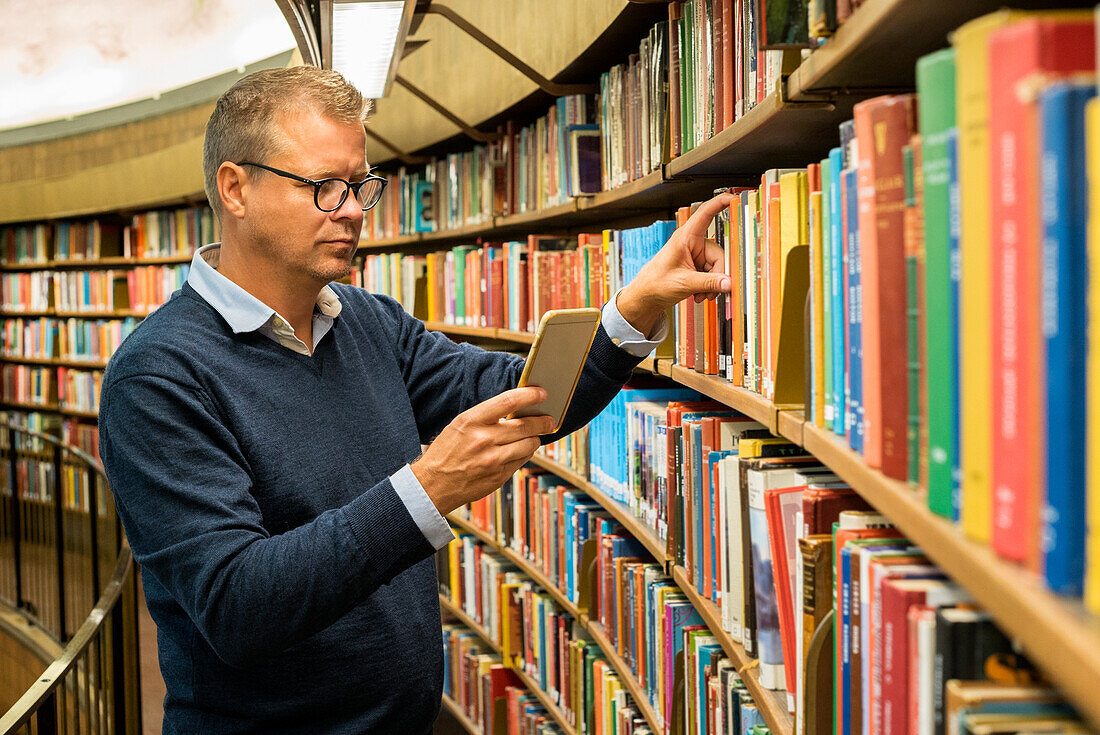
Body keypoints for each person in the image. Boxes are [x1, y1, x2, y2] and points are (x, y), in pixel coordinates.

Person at [99, 65, 733, 734]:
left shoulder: (369, 321)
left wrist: (634, 309)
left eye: (358, 186)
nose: (350, 209)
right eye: (323, 187)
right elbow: (237, 605)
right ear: (236, 188)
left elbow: (522, 399)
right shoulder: (159, 376)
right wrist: (425, 490)